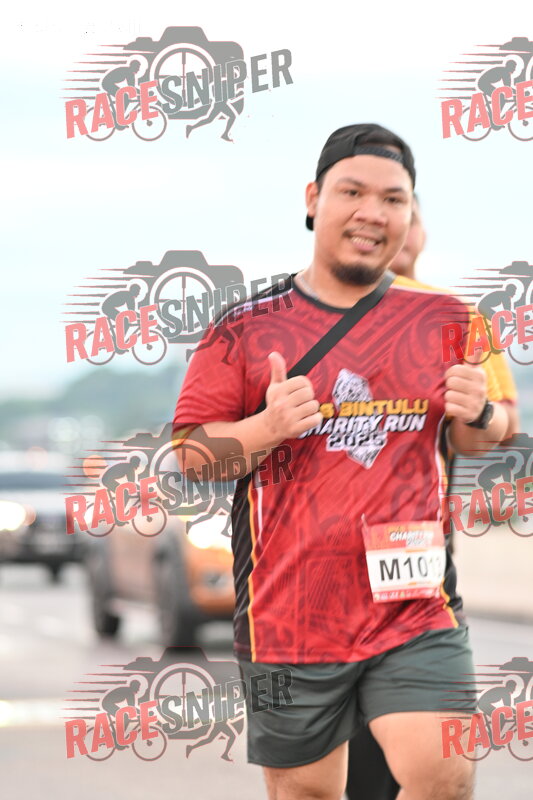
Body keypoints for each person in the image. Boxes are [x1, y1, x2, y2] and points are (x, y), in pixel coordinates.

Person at [173, 123, 510, 800]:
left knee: (444, 779)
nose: (372, 212)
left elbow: (488, 437)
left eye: (392, 199)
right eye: (352, 192)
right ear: (312, 199)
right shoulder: (244, 327)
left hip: (412, 607)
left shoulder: (448, 319)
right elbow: (192, 457)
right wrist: (267, 427)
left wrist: (479, 414)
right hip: (289, 614)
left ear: (409, 215)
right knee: (308, 794)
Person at [345, 195, 519, 800]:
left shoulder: (455, 317)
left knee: (430, 758)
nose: (390, 224)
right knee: (349, 764)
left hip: (415, 557)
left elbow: (498, 426)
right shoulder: (315, 313)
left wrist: (480, 412)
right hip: (322, 563)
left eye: (405, 210)